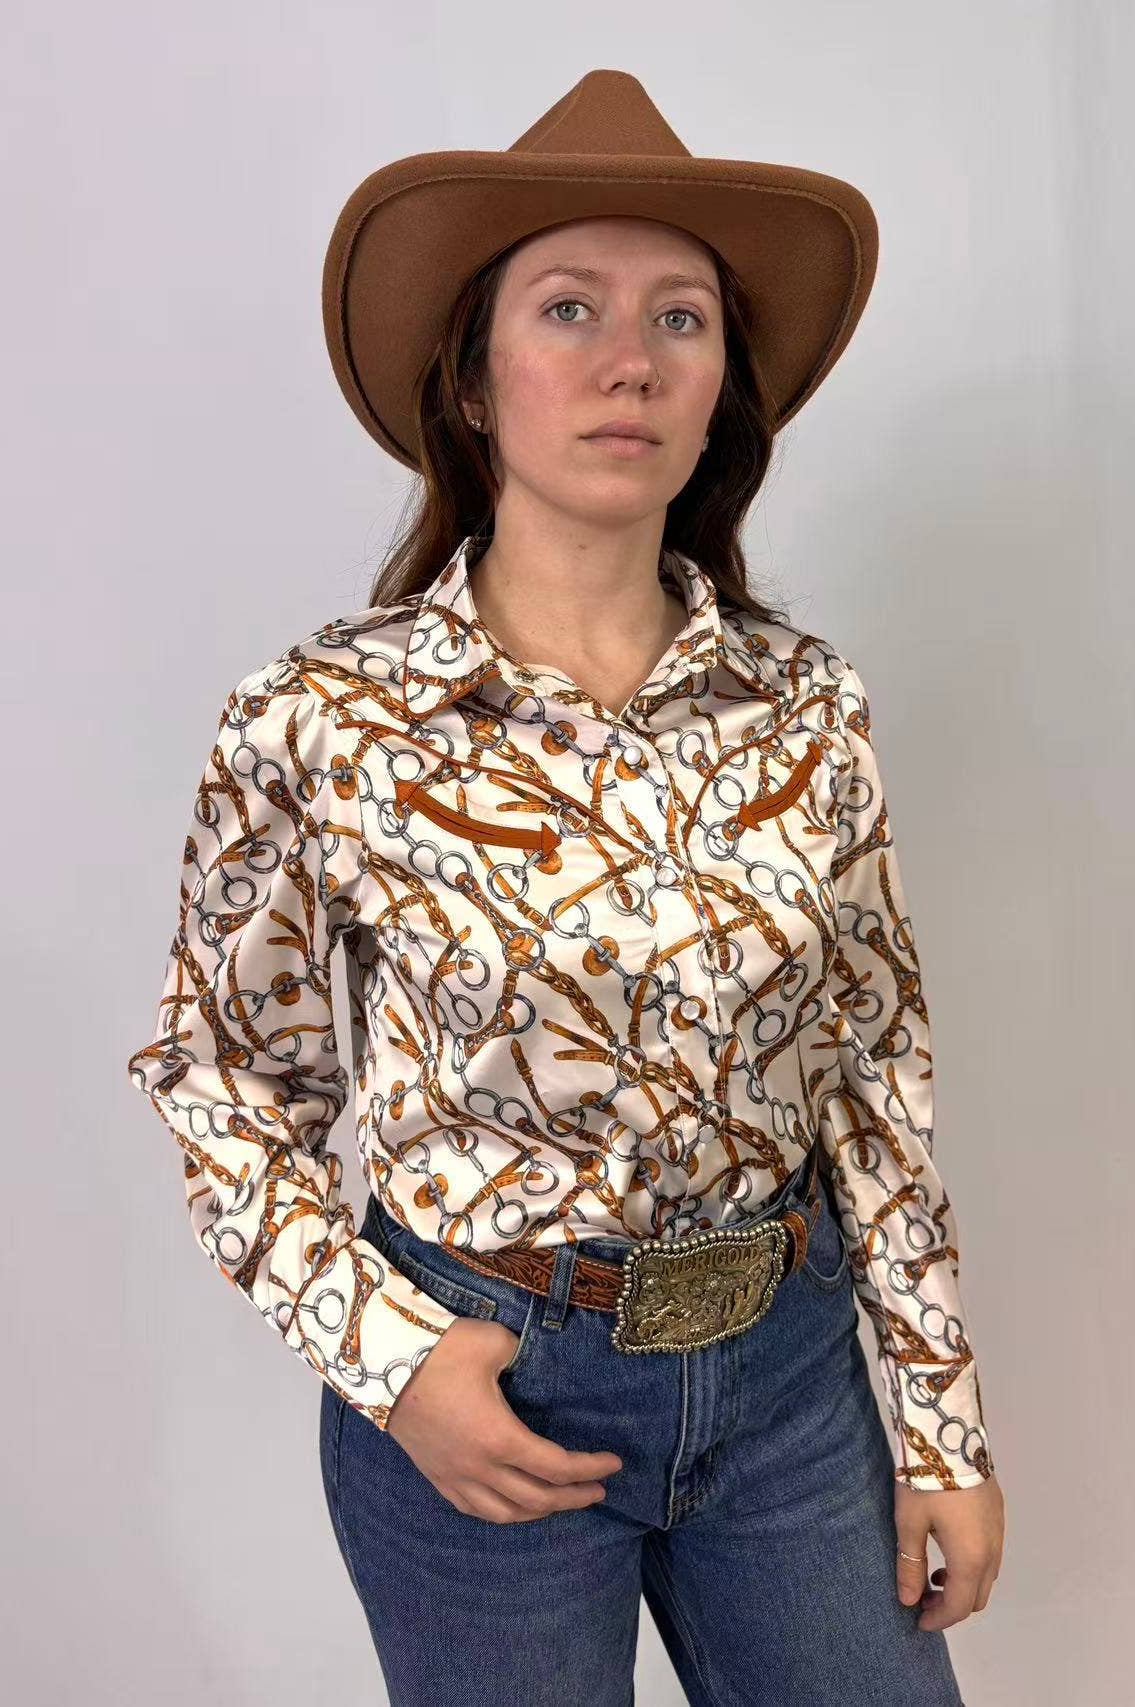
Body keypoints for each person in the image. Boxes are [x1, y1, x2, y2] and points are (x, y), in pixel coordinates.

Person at [126, 68, 1004, 1706]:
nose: (629, 360)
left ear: (723, 385)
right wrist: (392, 1364)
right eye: (571, 307)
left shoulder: (807, 708)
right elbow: (218, 1077)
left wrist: (941, 1426)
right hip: (491, 1392)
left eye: (682, 319)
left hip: (792, 1386)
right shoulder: (324, 717)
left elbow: (875, 1075)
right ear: (471, 379)